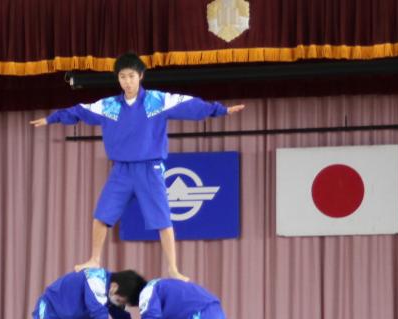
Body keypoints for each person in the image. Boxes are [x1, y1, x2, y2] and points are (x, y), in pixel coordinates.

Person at [31, 52, 242, 280]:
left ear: (140, 76)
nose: (127, 81)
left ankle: (173, 268)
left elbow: (189, 105)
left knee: (163, 220)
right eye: (122, 77)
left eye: (131, 76)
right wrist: (52, 119)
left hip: (149, 169)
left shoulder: (156, 101)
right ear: (118, 79)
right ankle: (94, 258)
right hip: (121, 169)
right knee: (101, 215)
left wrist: (219, 110)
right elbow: (79, 111)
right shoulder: (109, 106)